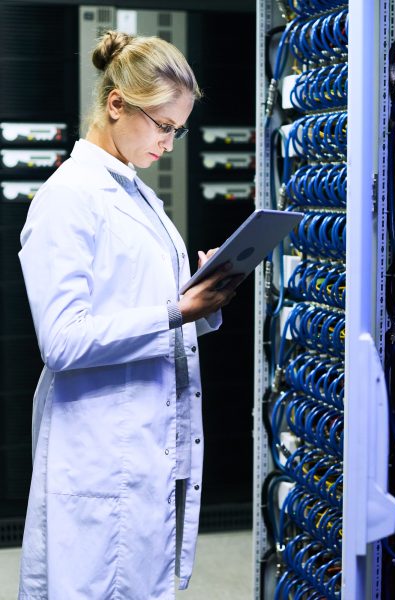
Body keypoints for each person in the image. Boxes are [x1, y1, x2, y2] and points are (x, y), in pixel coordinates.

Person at [17, 30, 241, 599]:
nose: (170, 143)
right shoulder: (70, 196)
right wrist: (176, 309)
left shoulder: (137, 195)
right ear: (116, 104)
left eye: (178, 129)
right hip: (98, 455)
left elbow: (146, 306)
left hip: (142, 449)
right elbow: (63, 341)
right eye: (163, 126)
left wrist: (202, 295)